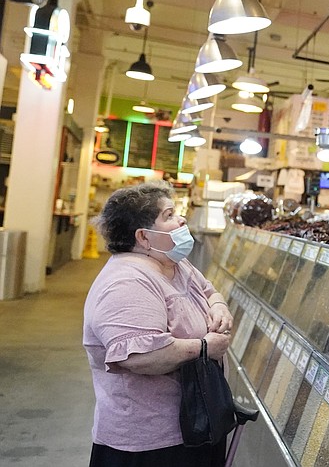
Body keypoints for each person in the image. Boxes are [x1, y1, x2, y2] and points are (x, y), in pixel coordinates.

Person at [83, 181, 234, 467]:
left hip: (193, 430)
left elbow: (209, 290)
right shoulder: (126, 282)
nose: (181, 220)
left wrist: (219, 307)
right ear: (143, 236)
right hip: (149, 446)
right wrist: (204, 348)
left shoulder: (174, 263)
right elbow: (141, 357)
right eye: (168, 215)